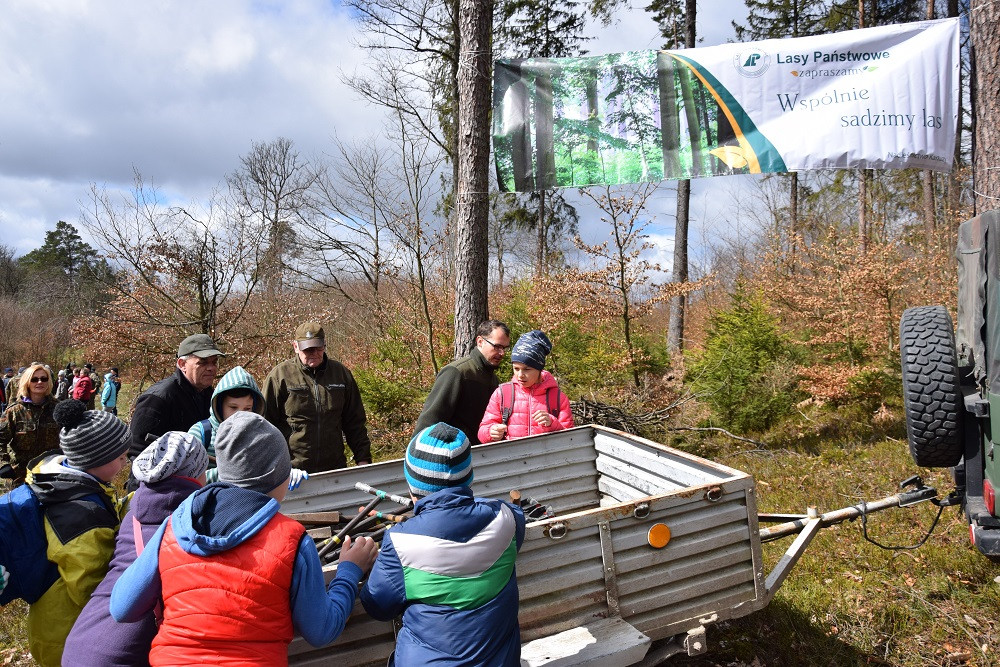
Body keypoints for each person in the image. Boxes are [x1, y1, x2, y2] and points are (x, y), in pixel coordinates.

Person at [110, 412, 378, 665]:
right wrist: (349, 571)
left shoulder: (174, 525)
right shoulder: (291, 539)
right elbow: (322, 630)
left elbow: (122, 608)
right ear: (280, 475)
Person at [360, 423, 526, 666]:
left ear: (411, 483)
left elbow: (378, 607)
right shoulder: (506, 518)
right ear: (469, 476)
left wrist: (352, 568)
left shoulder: (400, 542)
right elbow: (507, 512)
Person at [64, 431, 208, 667]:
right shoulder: (195, 525)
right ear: (196, 473)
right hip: (120, 656)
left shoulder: (133, 513)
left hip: (80, 640)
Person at [26, 400, 131, 667]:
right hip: (66, 633)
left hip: (61, 622)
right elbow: (89, 587)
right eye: (120, 457)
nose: (126, 462)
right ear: (94, 460)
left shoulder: (74, 485)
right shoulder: (79, 515)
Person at [262, 321, 371, 473]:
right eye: (308, 349)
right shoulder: (279, 376)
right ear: (295, 347)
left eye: (318, 348)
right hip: (292, 470)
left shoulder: (341, 374)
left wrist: (363, 459)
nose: (314, 353)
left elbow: (355, 422)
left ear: (324, 345)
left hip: (335, 468)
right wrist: (273, 468)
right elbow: (265, 426)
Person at [188, 365, 308, 489]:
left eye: (247, 408)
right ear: (219, 406)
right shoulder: (201, 433)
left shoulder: (264, 436)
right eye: (233, 407)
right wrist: (233, 471)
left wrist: (285, 473)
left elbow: (270, 471)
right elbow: (188, 480)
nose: (240, 414)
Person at [413, 319, 511, 445]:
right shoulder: (456, 372)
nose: (501, 353)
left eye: (504, 348)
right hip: (451, 453)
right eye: (497, 346)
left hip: (480, 454)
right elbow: (428, 422)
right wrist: (418, 451)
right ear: (480, 342)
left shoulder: (493, 380)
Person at [128, 334, 222, 461]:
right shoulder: (158, 399)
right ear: (182, 364)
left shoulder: (211, 395)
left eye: (214, 362)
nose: (211, 368)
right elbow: (138, 450)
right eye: (203, 362)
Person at [479, 330, 574, 442]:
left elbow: (570, 439)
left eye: (527, 369)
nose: (520, 375)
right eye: (516, 368)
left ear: (539, 368)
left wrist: (552, 423)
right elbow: (483, 432)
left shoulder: (557, 398)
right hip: (511, 453)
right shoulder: (503, 394)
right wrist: (491, 432)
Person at [0, 363, 61, 487]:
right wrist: (3, 464)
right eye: (34, 379)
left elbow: (71, 436)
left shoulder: (58, 409)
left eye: (44, 378)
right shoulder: (14, 411)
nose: (39, 382)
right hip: (20, 475)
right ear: (27, 382)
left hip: (51, 473)